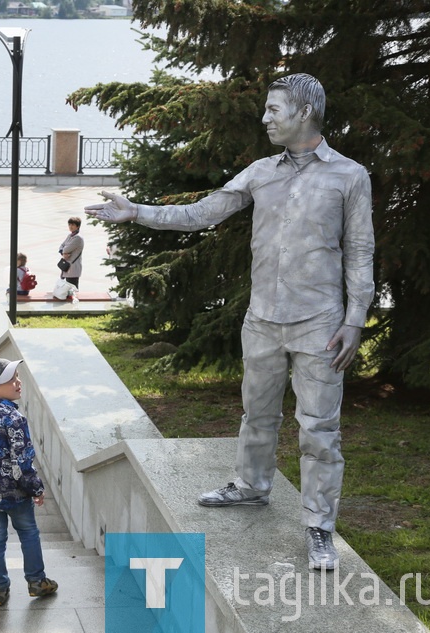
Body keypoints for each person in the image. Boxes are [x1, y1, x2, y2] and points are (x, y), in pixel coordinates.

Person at [85, 73, 375, 571]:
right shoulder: (261, 171)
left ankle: (319, 527)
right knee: (256, 413)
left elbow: (361, 252)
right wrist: (138, 213)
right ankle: (251, 485)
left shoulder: (350, 176)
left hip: (321, 325)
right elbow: (203, 214)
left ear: (304, 112)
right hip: (262, 319)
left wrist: (355, 319)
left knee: (319, 430)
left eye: (273, 110)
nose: (265, 118)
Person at [0, 358, 59, 606]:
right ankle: (36, 581)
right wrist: (35, 487)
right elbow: (23, 461)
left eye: (17, 377)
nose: (18, 382)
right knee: (28, 533)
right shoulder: (15, 418)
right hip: (16, 494)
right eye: (11, 379)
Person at [59, 216, 84, 288]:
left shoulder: (78, 238)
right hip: (68, 267)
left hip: (73, 267)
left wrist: (63, 251)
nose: (70, 226)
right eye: (69, 224)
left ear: (78, 226)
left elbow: (66, 249)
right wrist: (63, 252)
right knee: (67, 289)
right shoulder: (70, 235)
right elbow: (61, 246)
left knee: (73, 289)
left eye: (72, 225)